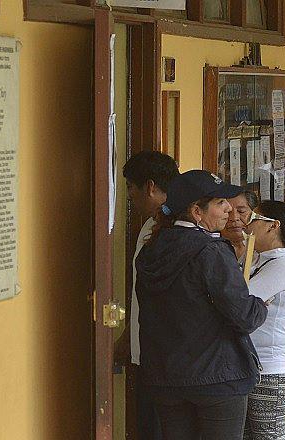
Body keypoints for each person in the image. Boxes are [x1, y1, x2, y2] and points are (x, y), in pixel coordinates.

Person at [135, 170, 268, 439]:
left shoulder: (152, 249)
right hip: (216, 377)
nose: (229, 209)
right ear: (197, 211)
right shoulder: (210, 251)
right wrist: (260, 305)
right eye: (220, 203)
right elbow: (243, 315)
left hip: (166, 376)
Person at [118, 151, 179, 440]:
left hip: (165, 354)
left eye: (131, 187)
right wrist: (129, 335)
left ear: (150, 186)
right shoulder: (150, 224)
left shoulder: (171, 228)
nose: (129, 195)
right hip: (149, 348)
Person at [243, 201, 285, 440]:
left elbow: (239, 300)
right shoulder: (259, 259)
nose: (246, 225)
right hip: (250, 364)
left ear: (273, 226)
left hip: (270, 368)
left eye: (253, 218)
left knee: (267, 435)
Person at [222, 189, 260, 264]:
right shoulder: (210, 249)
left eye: (241, 211)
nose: (234, 218)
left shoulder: (264, 249)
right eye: (228, 212)